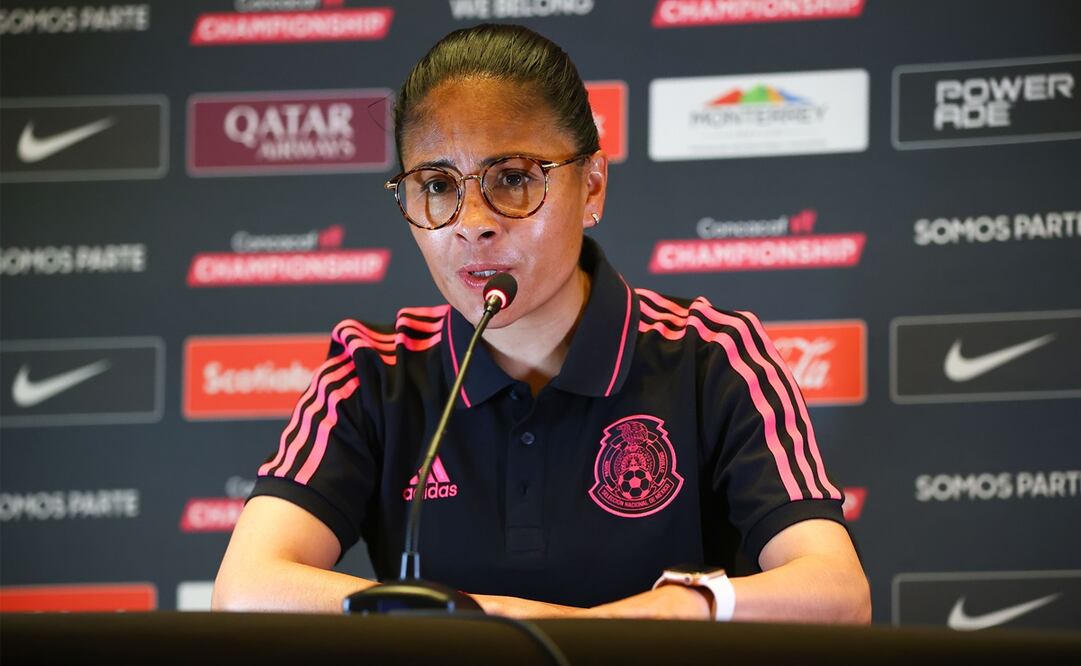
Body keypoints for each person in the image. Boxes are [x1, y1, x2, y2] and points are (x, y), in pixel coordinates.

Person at [213, 23, 871, 623]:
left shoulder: (712, 355)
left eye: (513, 178)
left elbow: (837, 592)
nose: (472, 220)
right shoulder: (373, 367)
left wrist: (628, 626)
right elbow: (244, 588)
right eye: (438, 185)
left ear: (591, 188)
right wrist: (492, 620)